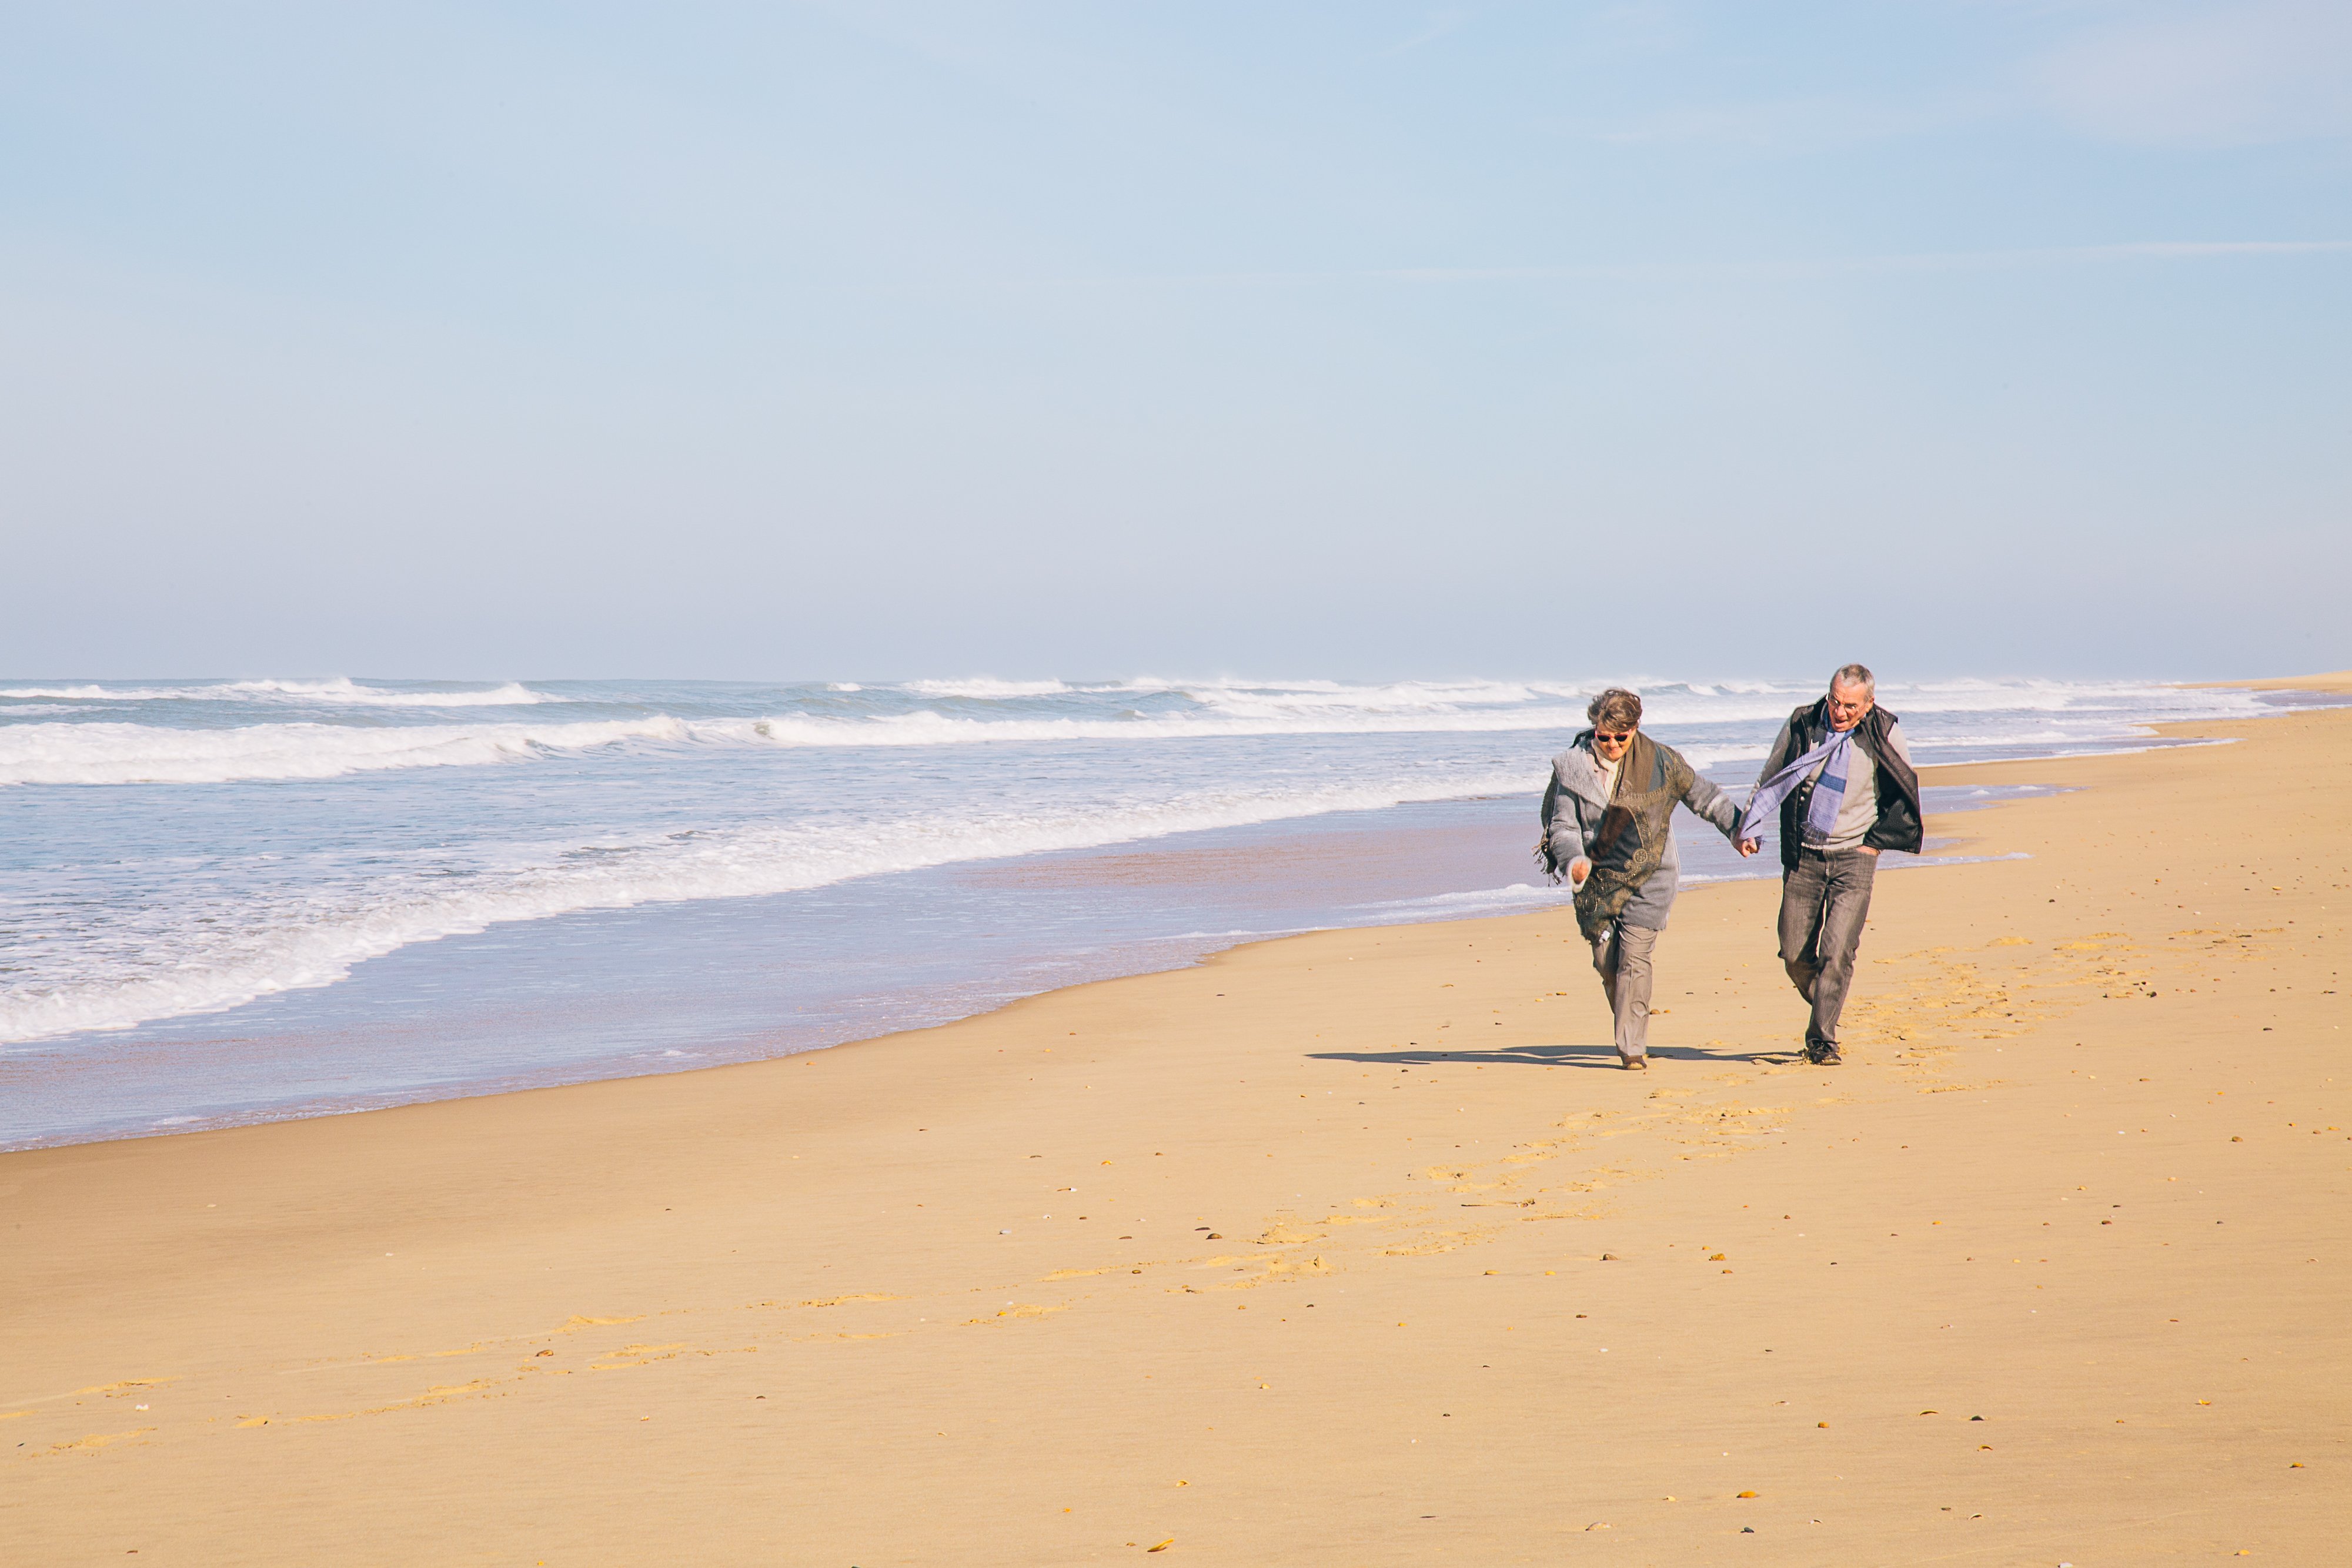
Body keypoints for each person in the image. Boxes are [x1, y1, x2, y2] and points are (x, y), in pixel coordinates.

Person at [1539, 688, 1745, 1069]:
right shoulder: (1572, 767)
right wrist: (1574, 861)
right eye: (1604, 736)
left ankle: (1632, 1047)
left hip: (1652, 873)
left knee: (1635, 958)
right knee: (1607, 963)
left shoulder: (1661, 762)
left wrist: (1738, 830)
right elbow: (1562, 825)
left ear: (1635, 728)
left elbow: (1703, 795)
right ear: (1594, 728)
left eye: (1622, 736)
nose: (1613, 744)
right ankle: (1628, 1017)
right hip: (1596, 878)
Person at [1736, 663, 1922, 1065]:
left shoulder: (1885, 732)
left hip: (1855, 857)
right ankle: (1828, 999)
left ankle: (1822, 1040)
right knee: (1792, 953)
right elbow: (1772, 776)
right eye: (1835, 701)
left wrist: (1875, 845)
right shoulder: (1804, 723)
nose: (1839, 712)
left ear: (1869, 703)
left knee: (1838, 952)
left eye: (1850, 706)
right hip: (1804, 855)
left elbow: (1905, 790)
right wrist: (1748, 824)